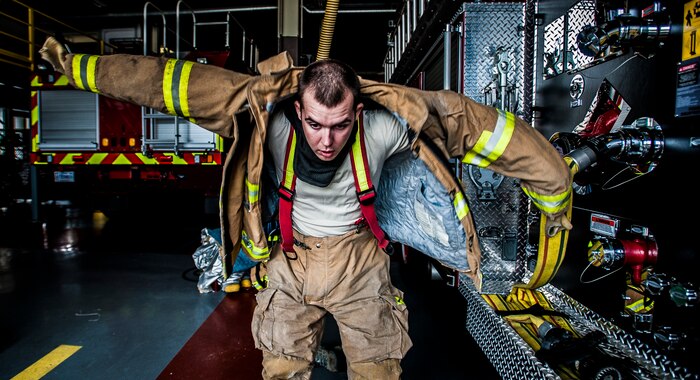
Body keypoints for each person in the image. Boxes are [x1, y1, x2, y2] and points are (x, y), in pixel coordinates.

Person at [39, 36, 573, 379]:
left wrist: (554, 191)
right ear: (298, 108)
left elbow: (480, 127)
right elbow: (160, 83)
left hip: (359, 264)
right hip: (287, 263)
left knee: (379, 370)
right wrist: (75, 64)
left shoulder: (388, 123)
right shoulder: (263, 115)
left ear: (357, 111)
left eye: (341, 125)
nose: (326, 138)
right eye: (315, 123)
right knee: (282, 370)